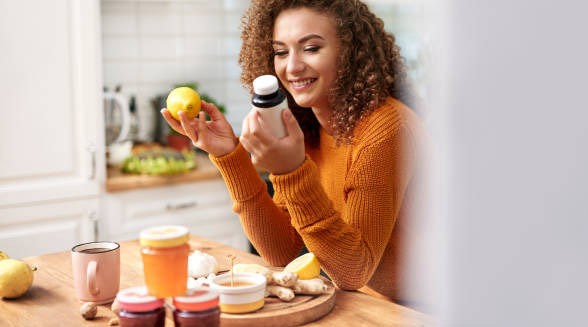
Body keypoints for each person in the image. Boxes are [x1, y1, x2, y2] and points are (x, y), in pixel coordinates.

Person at [161, 0, 426, 304]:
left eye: (311, 48)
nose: (292, 66)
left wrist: (291, 170)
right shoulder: (307, 126)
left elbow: (354, 271)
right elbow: (283, 251)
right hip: (368, 303)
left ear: (350, 53)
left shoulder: (387, 128)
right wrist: (229, 156)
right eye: (281, 52)